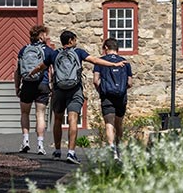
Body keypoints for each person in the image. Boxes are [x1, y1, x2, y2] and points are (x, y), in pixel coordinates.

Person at [25, 29, 124, 164]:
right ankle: (71, 153)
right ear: (71, 41)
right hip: (74, 89)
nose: (76, 42)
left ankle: (58, 150)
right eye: (75, 39)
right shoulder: (78, 52)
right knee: (73, 119)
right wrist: (113, 64)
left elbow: (41, 66)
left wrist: (32, 72)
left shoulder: (54, 54)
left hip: (59, 89)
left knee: (58, 120)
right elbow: (95, 60)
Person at [13, 25, 52, 154]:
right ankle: (40, 145)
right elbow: (53, 69)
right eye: (45, 34)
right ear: (41, 36)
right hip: (42, 84)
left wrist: (17, 87)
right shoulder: (48, 50)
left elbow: (17, 71)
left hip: (27, 84)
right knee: (40, 114)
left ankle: (25, 142)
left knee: (25, 113)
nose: (47, 37)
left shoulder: (24, 49)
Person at [93, 37, 132, 161]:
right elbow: (130, 82)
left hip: (107, 96)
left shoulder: (100, 61)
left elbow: (95, 80)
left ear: (106, 48)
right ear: (117, 49)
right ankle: (119, 150)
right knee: (119, 124)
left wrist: (101, 91)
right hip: (121, 96)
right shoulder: (125, 63)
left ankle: (112, 150)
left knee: (109, 123)